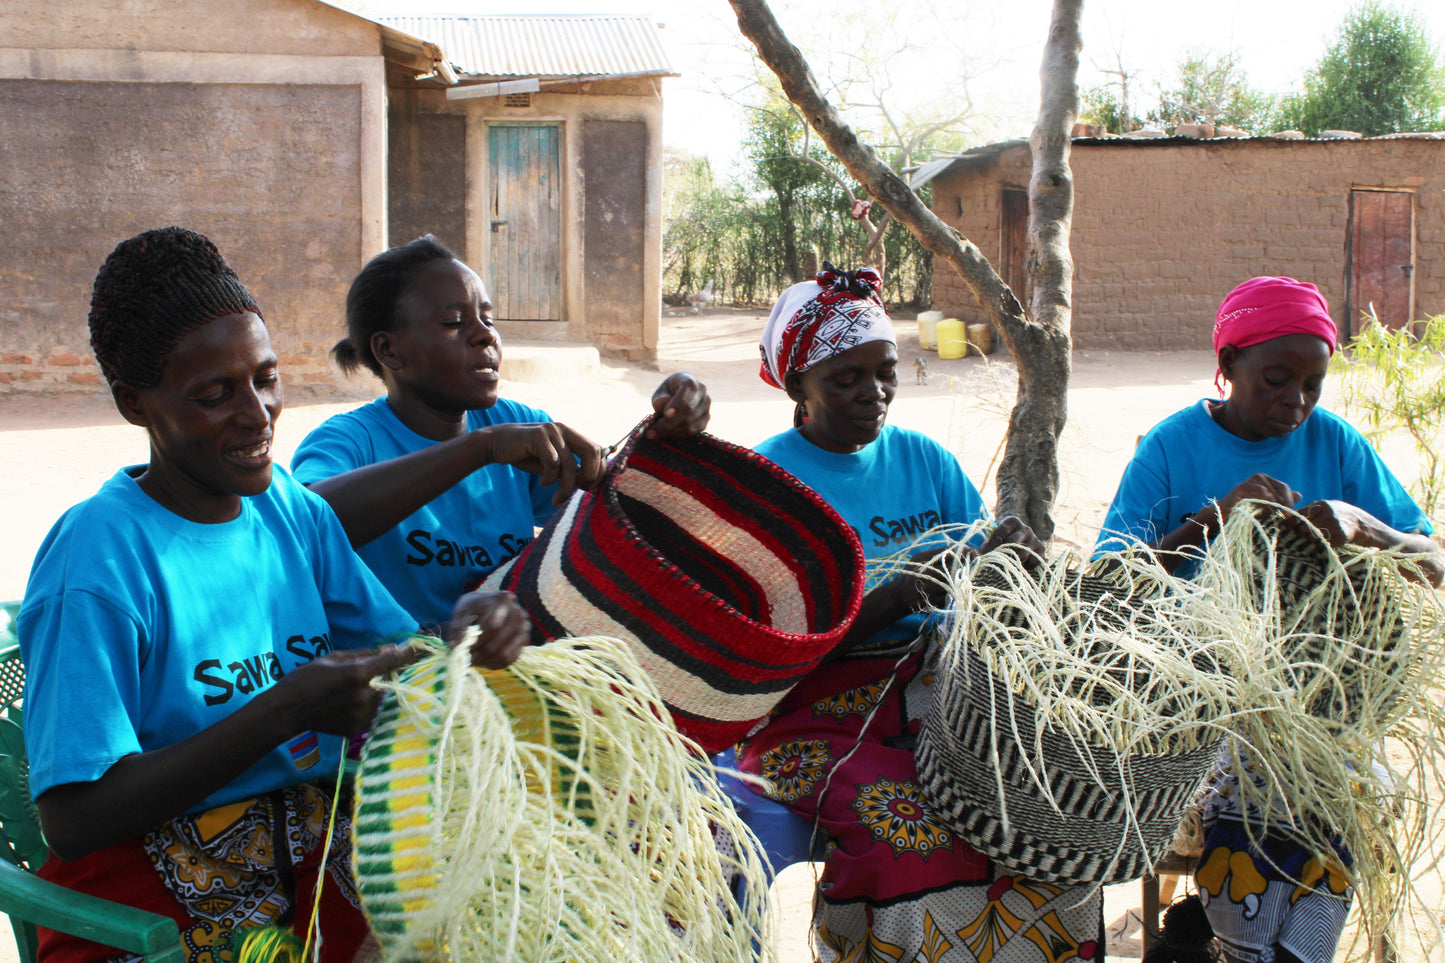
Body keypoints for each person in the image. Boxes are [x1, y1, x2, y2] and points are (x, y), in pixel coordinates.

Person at [17, 227, 529, 963]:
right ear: (136, 404)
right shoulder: (98, 559)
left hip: (309, 853)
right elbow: (72, 818)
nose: (258, 414)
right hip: (144, 895)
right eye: (214, 394)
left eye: (264, 377)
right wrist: (282, 709)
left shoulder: (288, 510)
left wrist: (461, 637)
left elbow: (401, 656)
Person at [736, 264, 1105, 963]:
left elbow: (977, 578)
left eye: (884, 371)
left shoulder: (924, 459)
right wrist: (894, 599)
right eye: (844, 378)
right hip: (813, 712)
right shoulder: (765, 486)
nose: (872, 393)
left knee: (1044, 817)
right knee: (904, 832)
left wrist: (1004, 558)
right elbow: (766, 659)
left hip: (940, 692)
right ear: (797, 387)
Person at [1095, 275, 1443, 963]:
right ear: (1226, 369)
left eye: (1313, 383)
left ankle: (1228, 940)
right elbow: (1108, 585)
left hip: (1319, 703)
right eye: (1275, 379)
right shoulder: (1169, 447)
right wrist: (1213, 518)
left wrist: (1364, 524)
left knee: (1343, 786)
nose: (1296, 401)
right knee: (1250, 785)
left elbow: (1431, 560)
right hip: (1198, 695)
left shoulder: (1334, 444)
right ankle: (1247, 943)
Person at [290, 235, 710, 627]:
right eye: (455, 322)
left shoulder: (512, 422)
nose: (485, 335)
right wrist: (480, 450)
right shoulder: (349, 440)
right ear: (389, 350)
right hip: (405, 677)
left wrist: (667, 439)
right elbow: (304, 527)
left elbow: (613, 511)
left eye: (488, 318)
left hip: (509, 667)